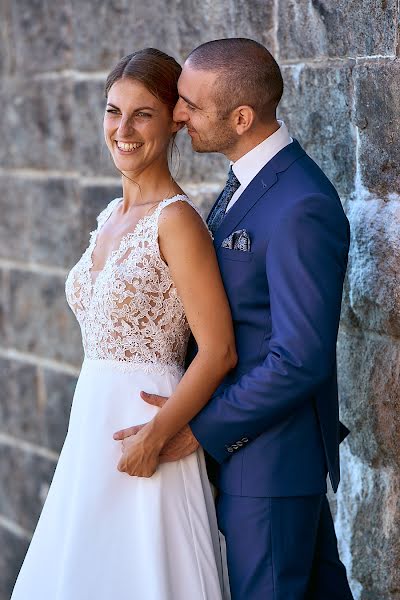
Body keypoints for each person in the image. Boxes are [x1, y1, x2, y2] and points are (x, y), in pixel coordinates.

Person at [116, 39, 355, 599]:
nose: (178, 115)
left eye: (191, 106)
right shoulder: (247, 180)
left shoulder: (301, 205)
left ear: (241, 118)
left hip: (268, 465)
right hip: (260, 463)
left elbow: (300, 359)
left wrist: (200, 428)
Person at [11, 48, 237, 600]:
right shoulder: (110, 217)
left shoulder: (177, 221)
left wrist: (157, 437)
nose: (123, 129)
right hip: (91, 427)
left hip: (145, 431)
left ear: (173, 123)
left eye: (142, 114)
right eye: (113, 111)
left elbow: (219, 351)